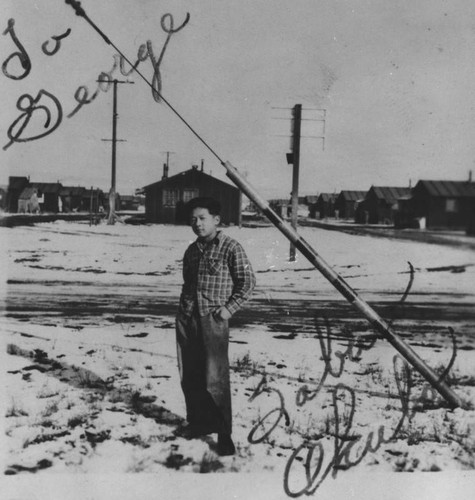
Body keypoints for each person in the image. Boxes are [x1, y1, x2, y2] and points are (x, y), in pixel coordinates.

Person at [176, 196, 256, 456]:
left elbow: (248, 282)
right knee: (191, 374)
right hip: (189, 319)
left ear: (216, 220)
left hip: (214, 319)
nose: (197, 224)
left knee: (215, 378)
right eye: (193, 220)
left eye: (202, 219)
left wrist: (227, 309)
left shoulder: (231, 247)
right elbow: (188, 284)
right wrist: (184, 312)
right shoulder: (191, 251)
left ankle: (223, 433)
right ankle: (199, 423)